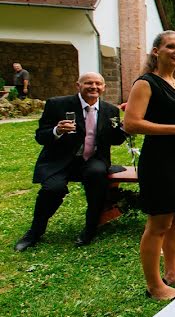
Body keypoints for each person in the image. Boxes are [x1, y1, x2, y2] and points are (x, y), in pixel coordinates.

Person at [14, 72, 127, 251]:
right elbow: (40, 136)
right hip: (60, 161)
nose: (94, 87)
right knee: (53, 189)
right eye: (88, 83)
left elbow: (116, 139)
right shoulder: (57, 104)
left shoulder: (110, 110)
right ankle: (35, 232)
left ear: (104, 87)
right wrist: (57, 131)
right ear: (78, 85)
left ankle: (90, 229)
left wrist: (126, 125)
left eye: (98, 84)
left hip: (93, 160)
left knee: (97, 175)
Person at [124, 31, 175, 300]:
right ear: (156, 51)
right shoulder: (146, 83)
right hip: (159, 159)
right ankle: (154, 285)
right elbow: (130, 123)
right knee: (158, 224)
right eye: (171, 46)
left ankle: (172, 273)